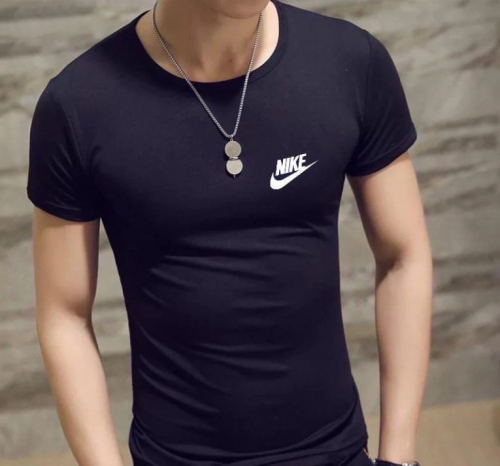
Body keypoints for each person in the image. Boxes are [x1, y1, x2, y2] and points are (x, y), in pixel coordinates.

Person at [26, 0, 433, 465]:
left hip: (335, 451)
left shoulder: (351, 62)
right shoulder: (78, 105)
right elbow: (64, 316)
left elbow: (403, 256)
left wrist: (399, 459)